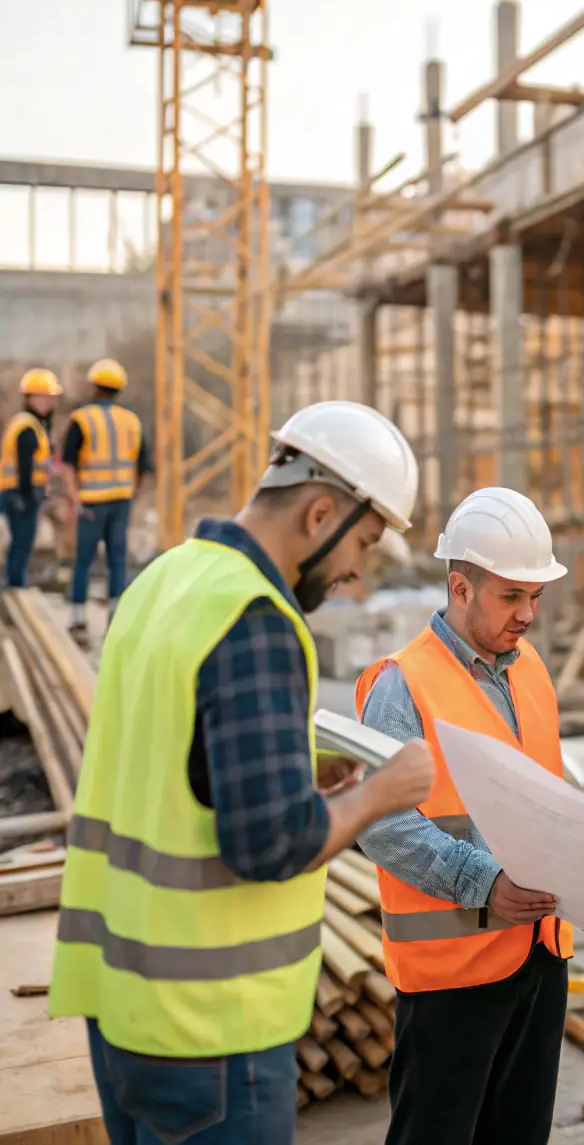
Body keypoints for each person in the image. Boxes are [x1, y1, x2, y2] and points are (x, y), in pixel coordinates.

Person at [49, 400, 436, 1145]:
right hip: (211, 1032)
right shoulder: (255, 616)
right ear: (321, 513)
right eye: (364, 542)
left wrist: (295, 768)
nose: (357, 574)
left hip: (121, 1010)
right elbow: (270, 842)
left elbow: (172, 767)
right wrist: (379, 794)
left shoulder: (164, 581)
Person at [356, 486, 573, 1145]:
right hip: (452, 970)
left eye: (536, 596)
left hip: (540, 950)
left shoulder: (529, 667)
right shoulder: (403, 683)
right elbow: (383, 823)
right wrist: (485, 882)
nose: (528, 613)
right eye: (513, 596)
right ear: (460, 587)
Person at [62, 359, 152, 641]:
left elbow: (67, 465)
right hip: (121, 500)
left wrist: (74, 498)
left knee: (83, 562)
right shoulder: (132, 421)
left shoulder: (82, 419)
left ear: (94, 387)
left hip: (90, 502)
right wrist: (131, 494)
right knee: (117, 560)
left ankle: (78, 620)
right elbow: (143, 467)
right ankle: (116, 616)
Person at [0, 368, 62, 588]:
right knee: (21, 543)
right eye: (46, 397)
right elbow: (25, 464)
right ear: (32, 397)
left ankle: (14, 584)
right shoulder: (27, 426)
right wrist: (27, 496)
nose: (50, 403)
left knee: (21, 543)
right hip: (20, 492)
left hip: (18, 491)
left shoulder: (32, 425)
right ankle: (14, 586)